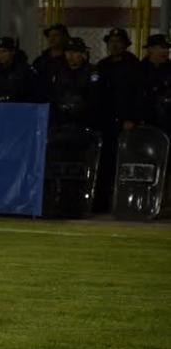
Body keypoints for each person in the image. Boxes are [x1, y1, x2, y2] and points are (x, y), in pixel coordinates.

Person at [94, 27, 142, 212]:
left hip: (125, 123)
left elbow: (138, 96)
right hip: (105, 122)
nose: (114, 45)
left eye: (118, 42)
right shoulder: (102, 65)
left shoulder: (133, 65)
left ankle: (125, 202)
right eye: (111, 42)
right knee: (104, 163)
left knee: (124, 162)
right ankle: (101, 203)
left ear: (125, 44)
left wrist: (132, 118)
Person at [49, 37, 98, 129]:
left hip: (84, 122)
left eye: (75, 52)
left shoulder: (92, 72)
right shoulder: (59, 71)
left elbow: (94, 99)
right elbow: (54, 96)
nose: (70, 55)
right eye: (68, 52)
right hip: (62, 122)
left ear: (82, 54)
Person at [140, 34, 171, 135]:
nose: (166, 51)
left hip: (167, 121)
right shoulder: (139, 69)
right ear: (150, 49)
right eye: (162, 47)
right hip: (145, 120)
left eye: (167, 48)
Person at [32, 23, 70, 101]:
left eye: (56, 35)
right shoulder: (40, 61)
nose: (52, 39)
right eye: (49, 36)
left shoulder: (69, 60)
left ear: (64, 37)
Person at [0, 36, 35, 103]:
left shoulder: (24, 70)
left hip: (20, 108)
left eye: (4, 51)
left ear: (12, 52)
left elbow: (32, 93)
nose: (1, 55)